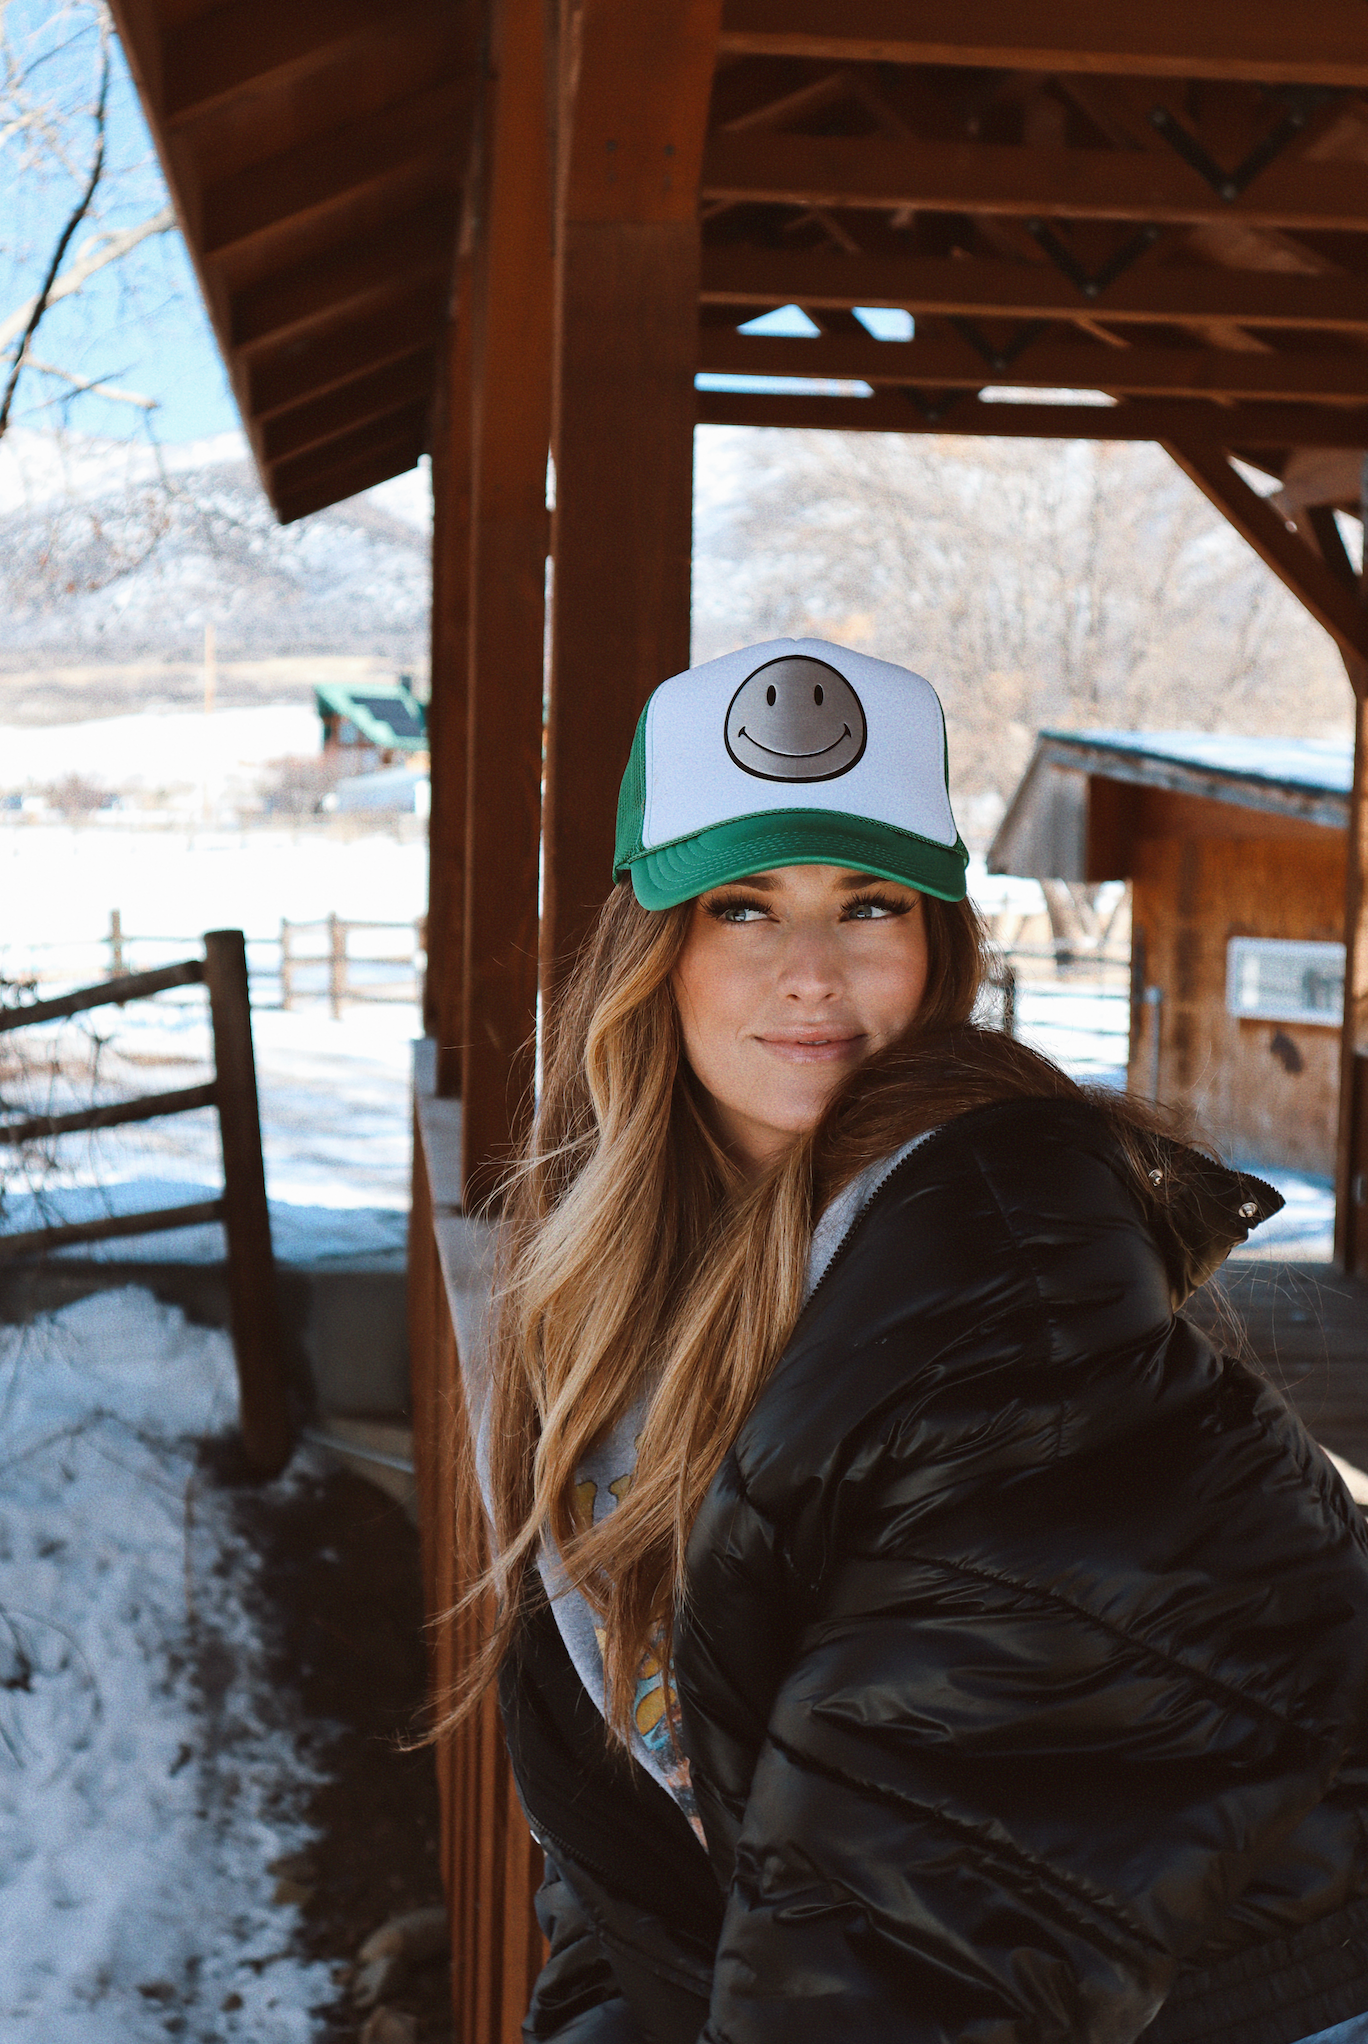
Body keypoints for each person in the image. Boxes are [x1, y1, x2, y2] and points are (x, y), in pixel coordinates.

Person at [458, 639, 1368, 2044]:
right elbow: (642, 1810)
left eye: (869, 902)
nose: (811, 974)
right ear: (658, 950)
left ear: (942, 947)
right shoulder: (616, 1296)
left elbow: (918, 1929)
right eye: (744, 907)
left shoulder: (1008, 1274)